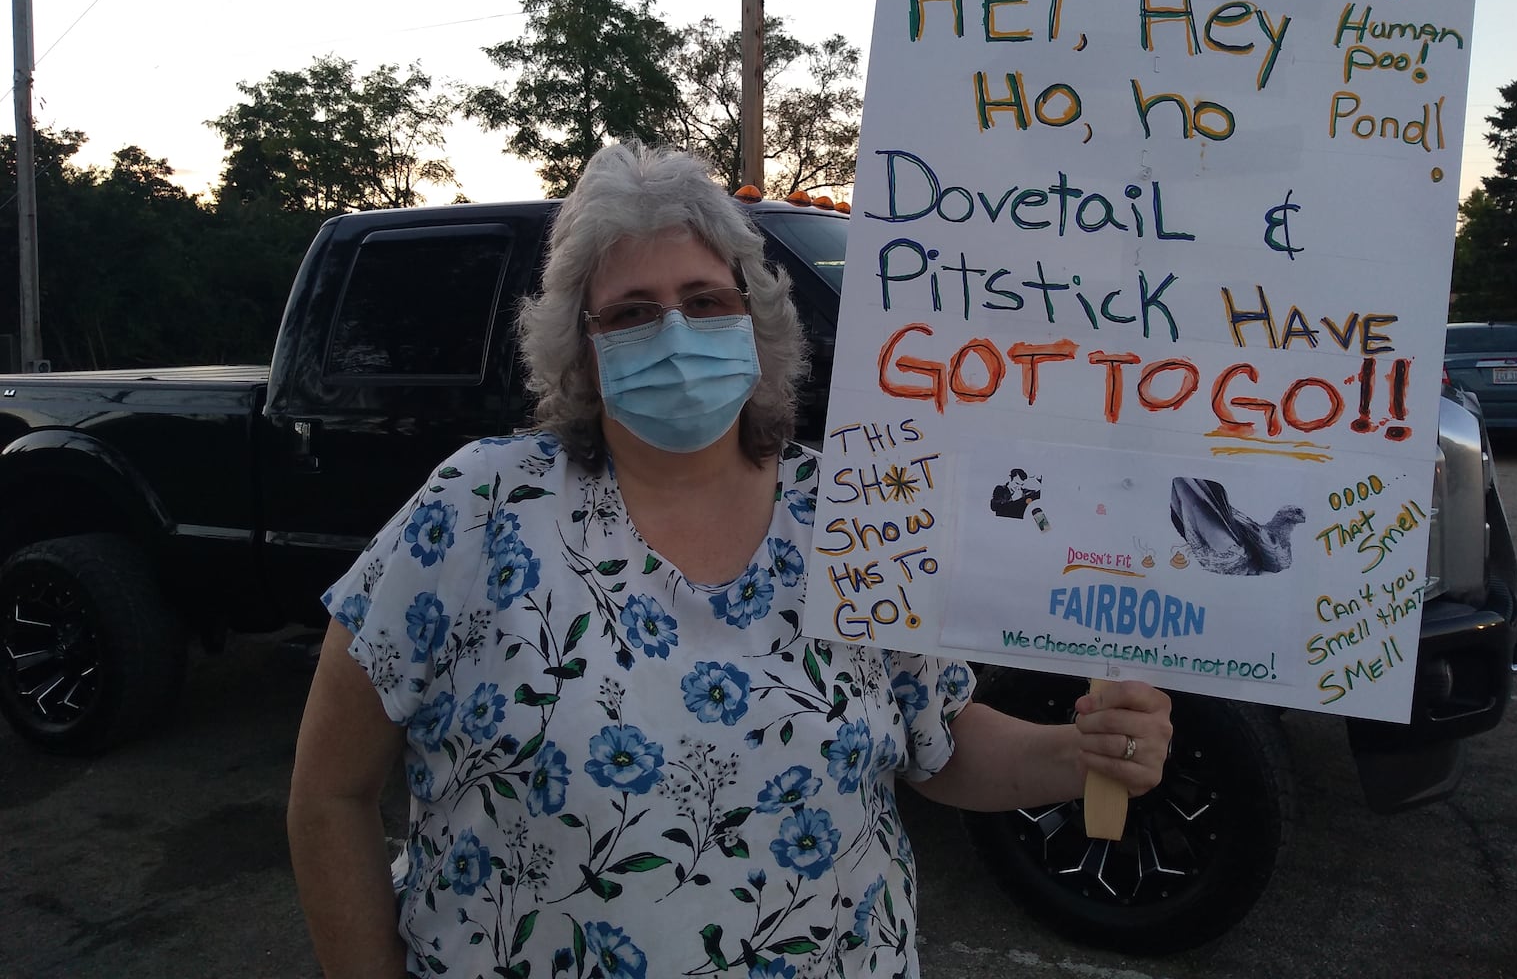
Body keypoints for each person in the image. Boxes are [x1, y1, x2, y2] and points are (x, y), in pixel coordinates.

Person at [287, 142, 1173, 979]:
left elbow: (936, 743)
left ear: (754, 321)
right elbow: (329, 794)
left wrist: (1080, 756)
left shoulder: (854, 513)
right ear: (583, 350)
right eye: (632, 313)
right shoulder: (476, 508)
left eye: (706, 300)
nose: (675, 332)